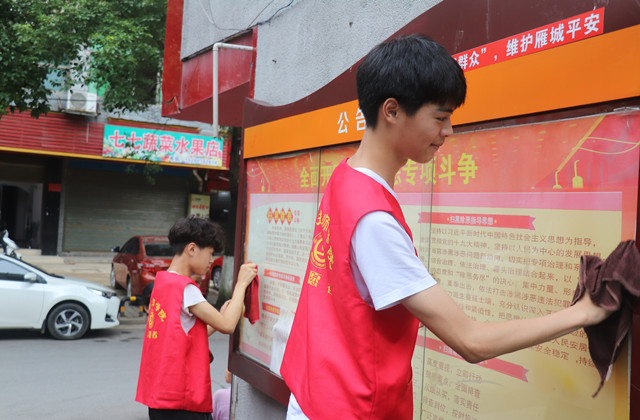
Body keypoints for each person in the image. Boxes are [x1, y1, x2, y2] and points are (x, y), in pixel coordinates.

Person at [279, 34, 611, 420]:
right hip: (347, 409)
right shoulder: (374, 220)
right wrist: (584, 313)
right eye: (440, 117)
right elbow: (471, 342)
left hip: (313, 394)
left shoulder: (345, 177)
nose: (448, 131)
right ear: (392, 111)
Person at [136, 216, 257, 420]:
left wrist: (220, 315)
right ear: (192, 249)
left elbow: (186, 335)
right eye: (210, 253)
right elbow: (228, 325)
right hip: (181, 400)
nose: (211, 260)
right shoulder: (186, 289)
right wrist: (241, 284)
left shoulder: (163, 281)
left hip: (160, 397)